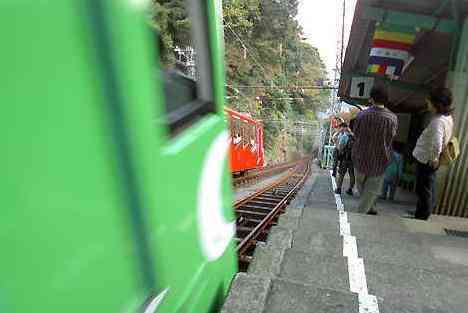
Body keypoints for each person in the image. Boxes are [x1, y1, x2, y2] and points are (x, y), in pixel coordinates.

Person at [352, 87, 398, 215]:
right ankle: (366, 209)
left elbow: (356, 133)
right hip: (380, 159)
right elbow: (391, 137)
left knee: (363, 188)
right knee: (371, 191)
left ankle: (362, 213)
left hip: (360, 157)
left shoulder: (361, 115)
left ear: (371, 99)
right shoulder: (392, 118)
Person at [412, 87, 454, 220]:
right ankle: (421, 212)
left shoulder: (438, 122)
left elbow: (437, 142)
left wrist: (434, 158)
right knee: (426, 187)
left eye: (429, 101)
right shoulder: (447, 118)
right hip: (428, 159)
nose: (427, 102)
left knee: (423, 188)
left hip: (426, 160)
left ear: (437, 104)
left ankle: (422, 215)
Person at [334, 124, 355, 195]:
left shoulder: (344, 136)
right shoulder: (355, 137)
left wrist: (340, 154)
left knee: (341, 174)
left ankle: (339, 189)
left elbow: (340, 147)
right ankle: (350, 189)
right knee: (352, 174)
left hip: (345, 159)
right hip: (353, 159)